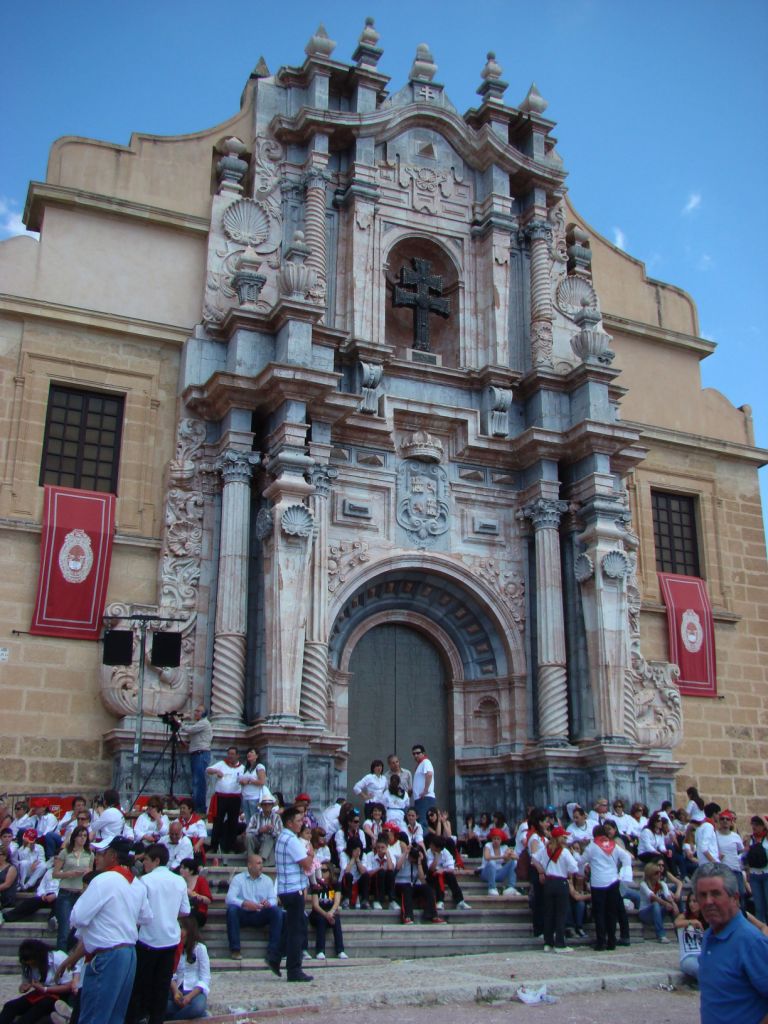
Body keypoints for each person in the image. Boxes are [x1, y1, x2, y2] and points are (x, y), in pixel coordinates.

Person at [60, 836, 153, 1024]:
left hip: (107, 954)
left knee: (94, 1017)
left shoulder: (103, 880)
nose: (96, 858)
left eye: (100, 854)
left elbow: (77, 917)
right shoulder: (136, 883)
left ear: (112, 855)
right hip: (128, 952)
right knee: (114, 1017)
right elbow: (146, 917)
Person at [694, 862, 768, 1024]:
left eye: (715, 894)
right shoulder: (708, 937)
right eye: (703, 895)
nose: (708, 901)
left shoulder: (751, 942)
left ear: (735, 898)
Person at [126, 842, 190, 1024]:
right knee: (161, 987)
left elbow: (138, 911)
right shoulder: (179, 881)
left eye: (146, 859)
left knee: (141, 986)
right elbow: (185, 910)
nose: (143, 863)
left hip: (148, 939)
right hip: (169, 939)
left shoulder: (145, 881)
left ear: (156, 860)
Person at [274, 805, 315, 982]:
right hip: (293, 889)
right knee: (297, 931)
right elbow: (306, 864)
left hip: (286, 888)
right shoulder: (291, 840)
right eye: (299, 821)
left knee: (292, 928)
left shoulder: (283, 837)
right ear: (290, 823)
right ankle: (294, 969)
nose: (302, 824)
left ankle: (274, 957)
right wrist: (311, 854)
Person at [577, 824, 631, 951]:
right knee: (611, 913)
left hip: (598, 883)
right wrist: (624, 873)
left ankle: (601, 942)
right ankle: (611, 941)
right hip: (613, 881)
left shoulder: (592, 847)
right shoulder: (614, 845)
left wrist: (581, 871)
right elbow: (627, 857)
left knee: (599, 914)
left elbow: (581, 861)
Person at [225, 853, 284, 964]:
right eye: (258, 863)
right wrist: (244, 903)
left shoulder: (267, 880)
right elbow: (229, 898)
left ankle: (273, 950)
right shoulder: (238, 879)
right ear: (249, 865)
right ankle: (235, 949)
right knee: (232, 910)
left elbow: (273, 899)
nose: (261, 866)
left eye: (261, 863)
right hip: (244, 913)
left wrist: (268, 903)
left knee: (276, 911)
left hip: (260, 913)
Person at [0, 939, 75, 1024]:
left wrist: (45, 989)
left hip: (59, 995)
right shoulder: (28, 966)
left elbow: (68, 986)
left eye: (33, 964)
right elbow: (28, 982)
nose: (31, 966)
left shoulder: (58, 958)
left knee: (35, 1011)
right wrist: (25, 986)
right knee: (10, 1006)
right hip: (41, 993)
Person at [531, 825, 579, 953]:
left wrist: (541, 871)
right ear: (560, 838)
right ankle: (560, 943)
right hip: (561, 882)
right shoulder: (565, 852)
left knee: (549, 913)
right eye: (564, 836)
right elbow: (574, 868)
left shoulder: (545, 850)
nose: (566, 838)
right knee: (560, 914)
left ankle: (548, 943)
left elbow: (534, 859)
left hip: (548, 882)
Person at [52, 825, 93, 951]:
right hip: (66, 892)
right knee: (64, 927)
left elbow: (91, 872)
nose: (82, 838)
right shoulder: (65, 852)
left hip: (80, 892)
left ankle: (68, 952)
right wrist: (69, 873)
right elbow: (55, 873)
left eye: (85, 836)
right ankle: (60, 955)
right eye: (80, 835)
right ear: (74, 837)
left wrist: (87, 873)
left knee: (79, 927)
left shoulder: (89, 854)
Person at [165, 916, 210, 1021]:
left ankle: (175, 1019)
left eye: (182, 928)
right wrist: (175, 991)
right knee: (160, 1005)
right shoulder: (173, 948)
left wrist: (189, 997)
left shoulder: (200, 949)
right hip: (177, 989)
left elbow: (205, 978)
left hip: (194, 991)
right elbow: (170, 973)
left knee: (197, 1007)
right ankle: (195, 1015)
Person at [207, 746, 244, 853]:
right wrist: (215, 771)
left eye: (233, 754)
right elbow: (208, 769)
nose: (230, 756)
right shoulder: (221, 764)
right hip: (221, 797)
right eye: (229, 754)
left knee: (233, 823)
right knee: (217, 822)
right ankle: (214, 846)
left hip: (235, 798)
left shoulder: (242, 768)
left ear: (238, 755)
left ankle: (230, 847)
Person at [308, 863, 348, 960]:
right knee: (321, 919)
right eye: (320, 870)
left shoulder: (335, 885)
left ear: (330, 872)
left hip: (330, 911)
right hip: (318, 913)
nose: (321, 873)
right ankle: (320, 951)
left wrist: (331, 912)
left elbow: (337, 901)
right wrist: (326, 915)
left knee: (336, 919)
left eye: (324, 870)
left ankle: (340, 950)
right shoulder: (316, 885)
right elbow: (315, 905)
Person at [178, 704, 213, 814]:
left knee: (199, 782)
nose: (195, 712)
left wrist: (179, 723)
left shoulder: (204, 723)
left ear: (203, 713)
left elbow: (189, 730)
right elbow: (198, 740)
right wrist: (188, 746)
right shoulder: (200, 724)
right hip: (197, 754)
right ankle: (197, 807)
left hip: (201, 755)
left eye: (198, 711)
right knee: (196, 782)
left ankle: (199, 809)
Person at [637, 861, 676, 943]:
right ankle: (661, 935)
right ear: (650, 874)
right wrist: (665, 904)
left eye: (660, 872)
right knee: (656, 904)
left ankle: (679, 929)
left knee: (671, 906)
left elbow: (667, 896)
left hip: (657, 912)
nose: (659, 874)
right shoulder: (643, 884)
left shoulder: (662, 884)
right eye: (656, 873)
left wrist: (674, 905)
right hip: (645, 913)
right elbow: (652, 896)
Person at [673, 889, 705, 980]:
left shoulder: (706, 919)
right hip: (688, 957)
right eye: (690, 901)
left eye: (694, 901)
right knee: (700, 969)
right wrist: (692, 922)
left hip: (703, 955)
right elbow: (676, 923)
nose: (691, 904)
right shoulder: (684, 916)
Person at [479, 827, 520, 896]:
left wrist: (509, 855)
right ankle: (492, 888)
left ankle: (511, 887)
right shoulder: (488, 845)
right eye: (494, 838)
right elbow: (487, 857)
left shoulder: (504, 847)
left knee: (513, 862)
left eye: (498, 839)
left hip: (499, 874)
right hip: (486, 873)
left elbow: (517, 857)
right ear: (492, 839)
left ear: (501, 840)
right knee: (492, 862)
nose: (496, 841)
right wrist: (502, 857)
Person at [744, 813, 768, 923]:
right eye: (753, 824)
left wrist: (763, 819)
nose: (754, 827)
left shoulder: (766, 839)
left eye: (757, 825)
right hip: (754, 876)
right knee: (759, 907)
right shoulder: (750, 839)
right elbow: (746, 857)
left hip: (766, 874)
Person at [245, 795, 282, 863]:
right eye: (265, 804)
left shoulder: (277, 817)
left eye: (269, 804)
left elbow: (280, 833)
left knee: (269, 837)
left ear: (272, 806)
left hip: (270, 842)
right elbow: (248, 831)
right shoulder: (255, 816)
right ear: (261, 806)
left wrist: (272, 830)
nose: (267, 806)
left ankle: (260, 860)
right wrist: (259, 830)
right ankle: (251, 859)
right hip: (257, 840)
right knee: (248, 836)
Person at [239, 748, 272, 822]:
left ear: (256, 755)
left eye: (251, 752)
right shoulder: (246, 768)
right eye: (248, 752)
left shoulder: (259, 766)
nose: (249, 754)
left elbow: (262, 781)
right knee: (248, 820)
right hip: (245, 797)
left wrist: (249, 781)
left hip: (254, 797)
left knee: (256, 820)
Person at [179, 858, 212, 927]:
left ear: (191, 871)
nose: (181, 870)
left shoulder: (201, 881)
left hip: (199, 912)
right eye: (181, 868)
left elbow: (208, 900)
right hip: (183, 910)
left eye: (184, 868)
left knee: (189, 916)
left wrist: (193, 894)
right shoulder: (179, 881)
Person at [411, 744, 436, 828]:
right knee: (420, 822)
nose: (415, 755)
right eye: (414, 754)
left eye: (418, 753)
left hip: (425, 797)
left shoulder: (426, 762)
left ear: (423, 753)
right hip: (420, 798)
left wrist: (425, 790)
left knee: (423, 822)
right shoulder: (420, 764)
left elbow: (429, 774)